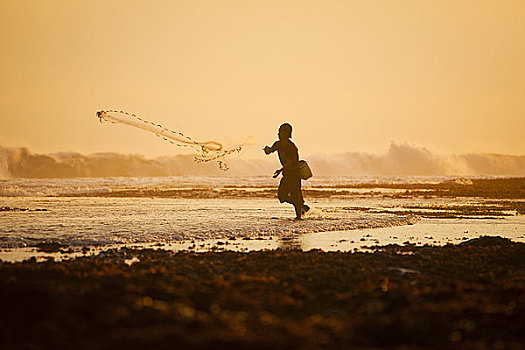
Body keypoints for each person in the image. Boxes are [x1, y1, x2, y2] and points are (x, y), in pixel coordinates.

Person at [264, 123, 310, 220]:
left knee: (292, 194)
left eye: (281, 131)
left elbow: (292, 161)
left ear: (287, 133)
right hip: (287, 174)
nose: (278, 133)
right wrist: (267, 149)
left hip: (294, 174)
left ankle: (299, 215)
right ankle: (302, 206)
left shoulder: (291, 146)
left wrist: (280, 169)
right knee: (282, 196)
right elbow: (271, 150)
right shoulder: (278, 144)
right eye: (279, 131)